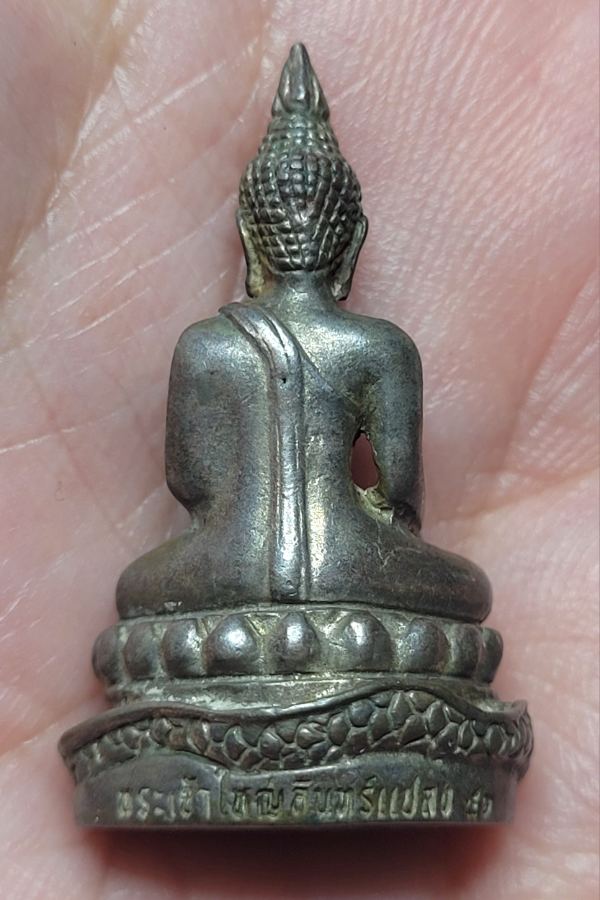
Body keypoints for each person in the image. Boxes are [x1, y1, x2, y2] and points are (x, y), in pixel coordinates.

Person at [0, 1, 597, 897]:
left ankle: (203, 713)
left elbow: (194, 488)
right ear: (349, 241)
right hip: (364, 601)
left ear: (251, 239)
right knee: (460, 608)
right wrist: (355, 534)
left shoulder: (207, 348)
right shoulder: (379, 348)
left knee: (140, 614)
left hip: (218, 610)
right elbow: (400, 500)